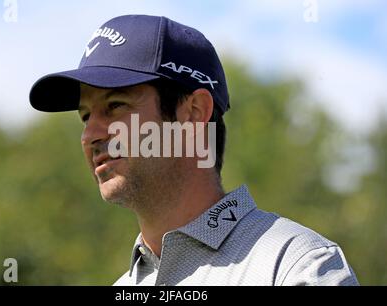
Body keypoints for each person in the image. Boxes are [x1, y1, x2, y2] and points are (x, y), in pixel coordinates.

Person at [29, 14, 359, 286]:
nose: (91, 134)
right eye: (86, 116)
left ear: (194, 112)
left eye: (116, 105)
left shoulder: (293, 266)